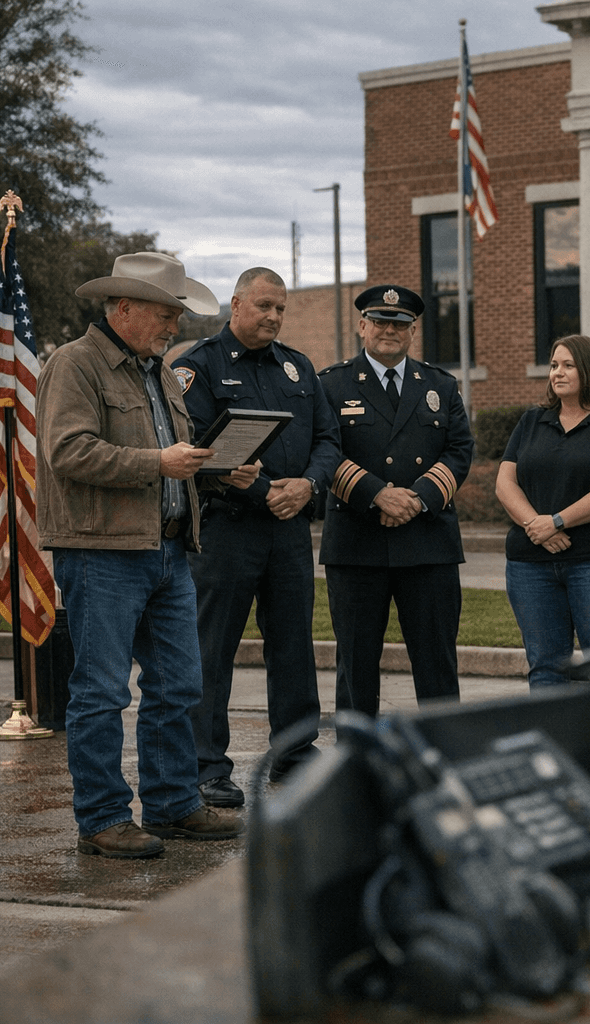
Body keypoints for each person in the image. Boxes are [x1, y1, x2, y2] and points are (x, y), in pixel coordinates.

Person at [39, 252, 244, 858]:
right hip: (101, 552)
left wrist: (217, 470)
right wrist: (159, 463)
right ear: (123, 308)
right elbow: (67, 451)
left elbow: (175, 459)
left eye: (176, 317)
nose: (174, 327)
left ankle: (173, 804)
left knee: (178, 686)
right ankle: (102, 818)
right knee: (102, 692)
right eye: (165, 315)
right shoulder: (74, 364)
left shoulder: (158, 371)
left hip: (168, 551)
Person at [173, 268, 339, 806]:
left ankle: (295, 754)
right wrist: (266, 491)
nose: (273, 316)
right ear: (237, 304)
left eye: (281, 308)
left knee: (293, 647)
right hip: (226, 530)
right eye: (264, 305)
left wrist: (308, 486)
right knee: (211, 649)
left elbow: (328, 438)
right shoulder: (199, 366)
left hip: (288, 529)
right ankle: (205, 767)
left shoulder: (298, 366)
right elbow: (197, 450)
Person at [317, 285, 474, 716]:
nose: (390, 330)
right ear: (362, 326)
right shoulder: (330, 385)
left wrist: (417, 499)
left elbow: (460, 451)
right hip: (357, 543)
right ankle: (358, 753)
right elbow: (322, 450)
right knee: (356, 665)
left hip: (428, 543)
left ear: (413, 331)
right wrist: (377, 494)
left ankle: (442, 749)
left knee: (437, 664)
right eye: (380, 321)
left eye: (400, 324)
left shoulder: (440, 385)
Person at [495, 335, 590, 688]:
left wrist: (557, 522)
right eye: (554, 365)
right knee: (545, 666)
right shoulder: (532, 420)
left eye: (568, 365)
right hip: (531, 563)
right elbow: (504, 483)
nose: (557, 373)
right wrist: (536, 526)